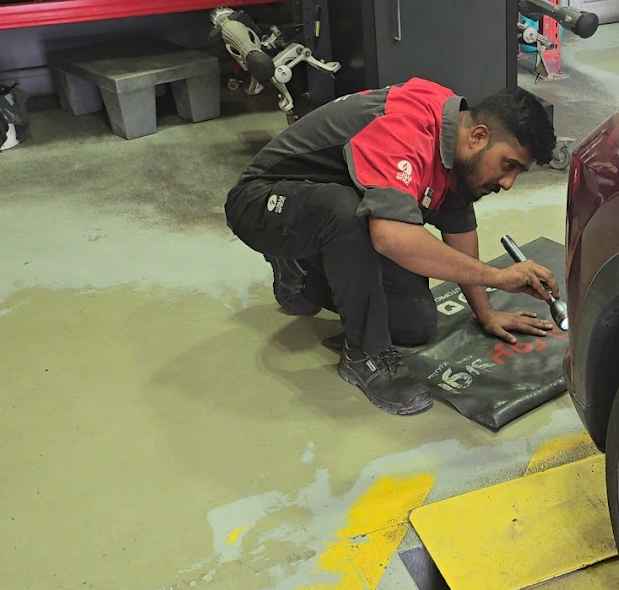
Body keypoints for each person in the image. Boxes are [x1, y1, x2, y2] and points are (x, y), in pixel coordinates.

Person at [225, 78, 561, 416]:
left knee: (414, 322)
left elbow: (459, 230)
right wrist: (498, 277)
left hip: (333, 220)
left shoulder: (456, 143)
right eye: (508, 165)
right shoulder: (407, 128)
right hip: (263, 202)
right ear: (478, 136)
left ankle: (301, 270)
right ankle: (365, 355)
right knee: (343, 212)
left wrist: (485, 313)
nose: (508, 183)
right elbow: (390, 237)